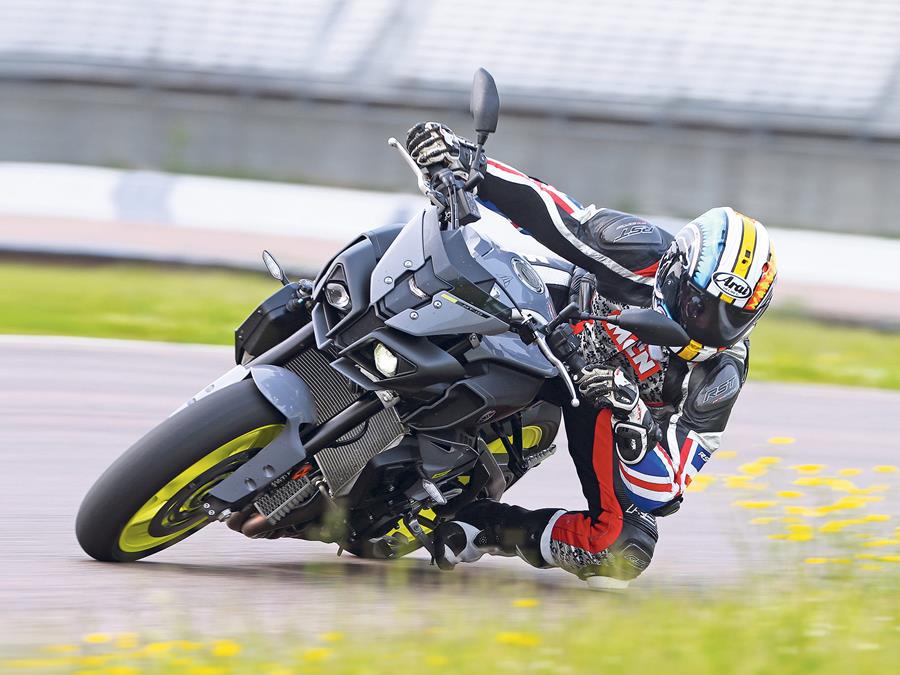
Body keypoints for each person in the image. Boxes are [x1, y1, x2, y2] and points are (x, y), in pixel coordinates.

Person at [404, 122, 779, 589]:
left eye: (731, 319)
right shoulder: (642, 251)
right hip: (544, 321)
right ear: (676, 271)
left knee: (623, 550)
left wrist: (635, 416)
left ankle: (487, 525)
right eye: (700, 308)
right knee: (450, 272)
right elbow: (553, 214)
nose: (709, 328)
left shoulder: (721, 373)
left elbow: (667, 489)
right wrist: (464, 162)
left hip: (605, 408)